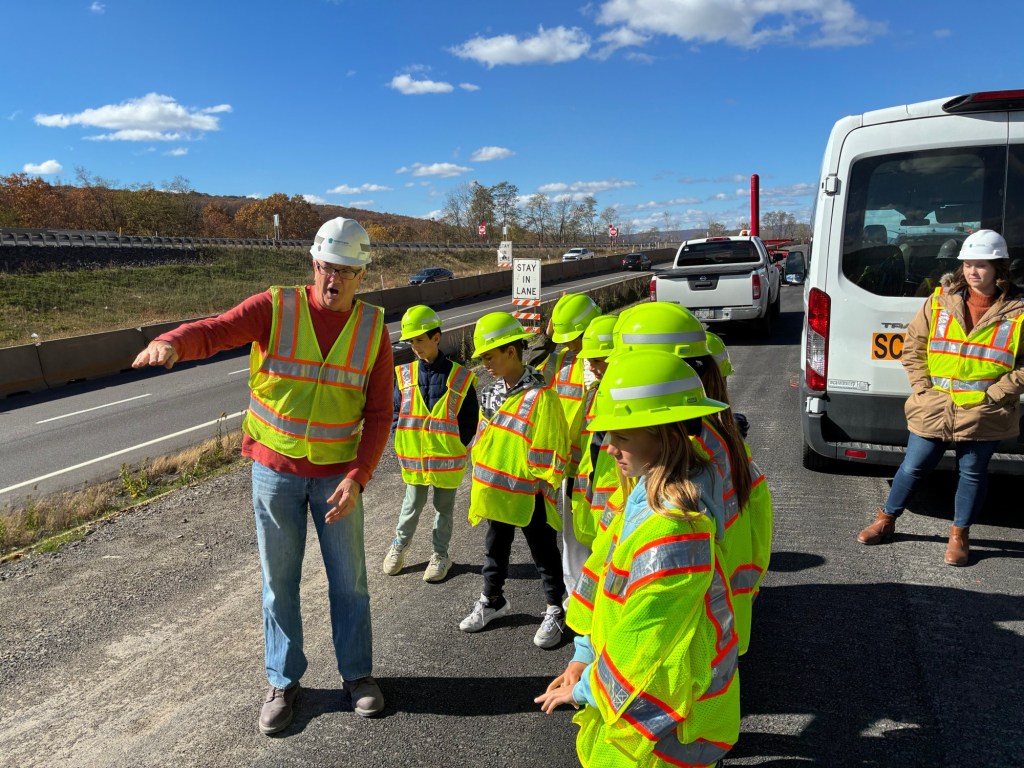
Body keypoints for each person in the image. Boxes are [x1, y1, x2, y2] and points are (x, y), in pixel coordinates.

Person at [132, 217, 393, 733]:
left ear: (361, 274)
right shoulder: (277, 306)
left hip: (338, 479)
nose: (332, 280)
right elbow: (217, 329)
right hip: (275, 472)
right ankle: (283, 681)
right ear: (312, 264)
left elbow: (380, 413)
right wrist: (174, 341)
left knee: (350, 582)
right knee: (279, 583)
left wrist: (360, 474)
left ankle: (357, 676)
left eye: (344, 270)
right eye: (325, 268)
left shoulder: (372, 329)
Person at [535, 350, 740, 768]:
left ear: (664, 435)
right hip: (648, 694)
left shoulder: (675, 527)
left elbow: (648, 635)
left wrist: (585, 688)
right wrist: (584, 652)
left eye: (623, 437)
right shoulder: (642, 491)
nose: (608, 448)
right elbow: (602, 577)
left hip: (667, 709)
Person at [857, 230, 1024, 566]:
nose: (973, 272)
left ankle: (959, 535)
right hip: (935, 406)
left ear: (998, 268)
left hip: (984, 410)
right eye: (968, 264)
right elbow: (913, 347)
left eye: (982, 265)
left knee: (973, 472)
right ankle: (885, 519)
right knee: (914, 465)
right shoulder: (937, 302)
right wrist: (922, 387)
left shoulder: (1017, 311)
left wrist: (997, 392)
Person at [459, 312, 571, 649]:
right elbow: (483, 439)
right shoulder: (490, 393)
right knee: (495, 549)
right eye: (482, 358)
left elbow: (550, 446)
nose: (485, 364)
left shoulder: (541, 394)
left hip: (530, 493)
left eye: (490, 356)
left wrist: (541, 481)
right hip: (497, 491)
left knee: (544, 552)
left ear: (511, 351)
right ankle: (492, 600)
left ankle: (555, 608)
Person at [384, 305, 479, 583]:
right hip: (415, 459)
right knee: (410, 506)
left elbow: (469, 420)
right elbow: (395, 412)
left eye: (420, 340)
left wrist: (455, 446)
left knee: (444, 510)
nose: (415, 347)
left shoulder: (460, 377)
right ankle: (399, 548)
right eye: (411, 342)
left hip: (447, 462)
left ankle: (440, 555)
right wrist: (398, 436)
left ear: (436, 338)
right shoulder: (404, 375)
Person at [539, 293, 602, 593]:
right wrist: (546, 338)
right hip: (571, 468)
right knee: (573, 537)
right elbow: (528, 373)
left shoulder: (606, 363)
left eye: (574, 338)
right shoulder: (559, 359)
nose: (569, 344)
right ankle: (575, 599)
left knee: (603, 534)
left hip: (606, 466)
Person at [569, 314, 617, 554]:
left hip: (613, 496)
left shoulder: (620, 398)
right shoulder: (599, 392)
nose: (590, 367)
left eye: (597, 361)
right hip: (594, 490)